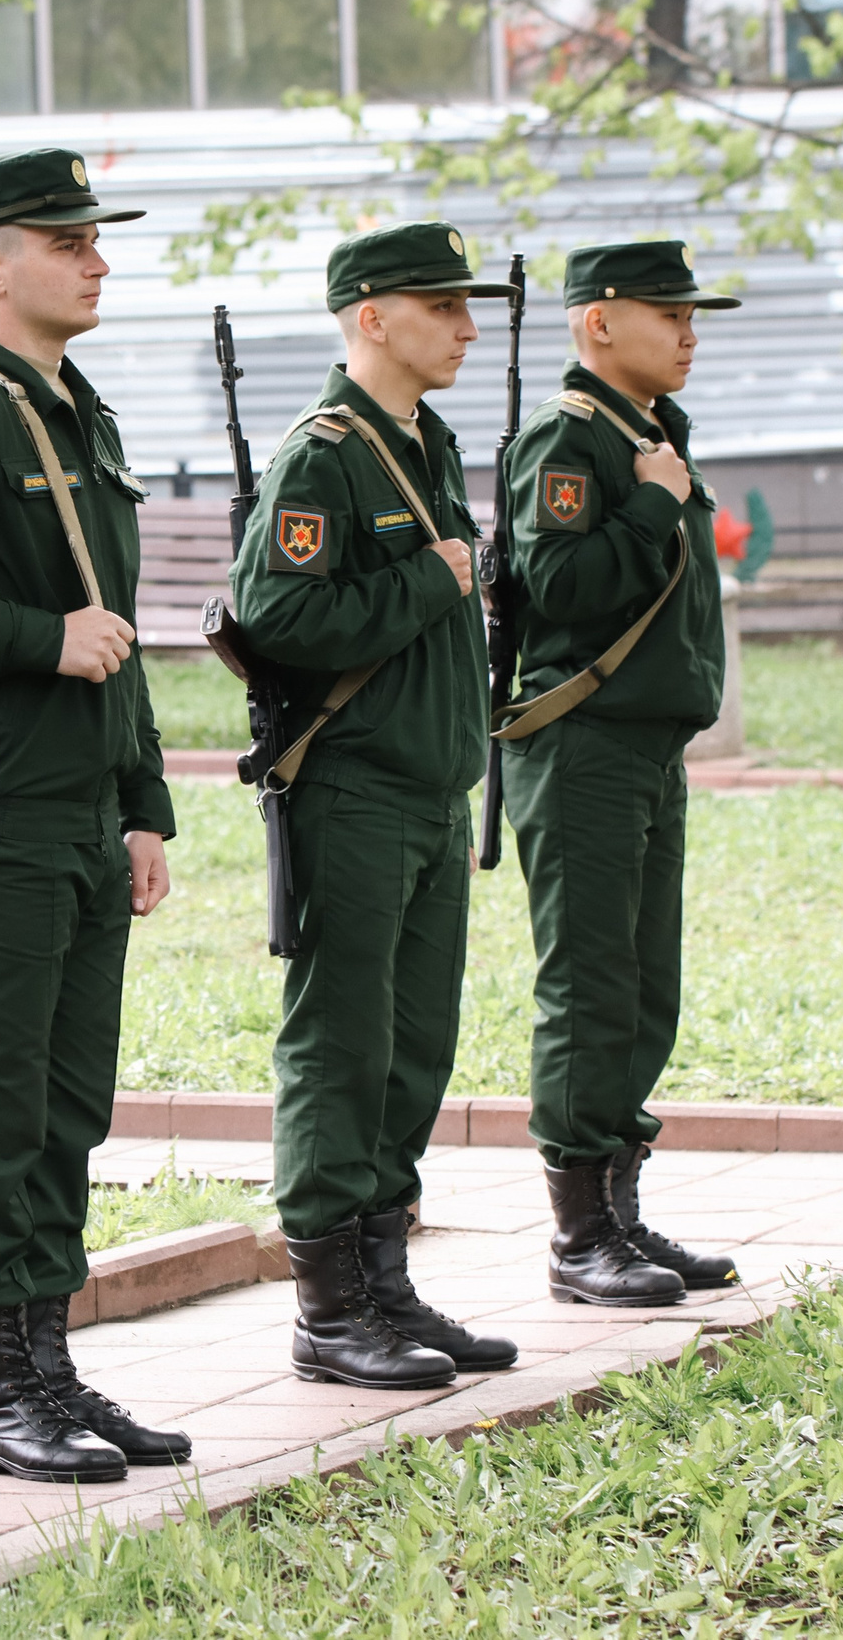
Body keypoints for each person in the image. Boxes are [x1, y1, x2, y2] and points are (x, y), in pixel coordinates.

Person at [0, 148, 187, 1483]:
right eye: (67, 241)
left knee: (69, 1104)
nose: (95, 259)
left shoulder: (78, 414)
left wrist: (142, 800)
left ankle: (48, 1361)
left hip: (75, 803)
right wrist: (32, 637)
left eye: (94, 238)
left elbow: (114, 625)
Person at [227, 223, 522, 1389]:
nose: (464, 327)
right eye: (440, 306)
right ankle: (329, 1307)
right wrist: (426, 580)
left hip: (429, 792)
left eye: (464, 306)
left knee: (412, 1051)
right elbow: (274, 619)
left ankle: (385, 1283)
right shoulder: (324, 457)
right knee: (341, 1048)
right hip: (351, 792)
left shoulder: (423, 441)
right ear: (370, 317)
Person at [497, 239, 742, 1309]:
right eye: (668, 315)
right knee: (590, 984)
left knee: (645, 985)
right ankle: (579, 1234)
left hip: (645, 745)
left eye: (692, 317)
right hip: (581, 745)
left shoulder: (650, 432)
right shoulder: (569, 437)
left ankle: (621, 1211)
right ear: (598, 323)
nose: (688, 335)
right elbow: (556, 584)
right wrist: (648, 504)